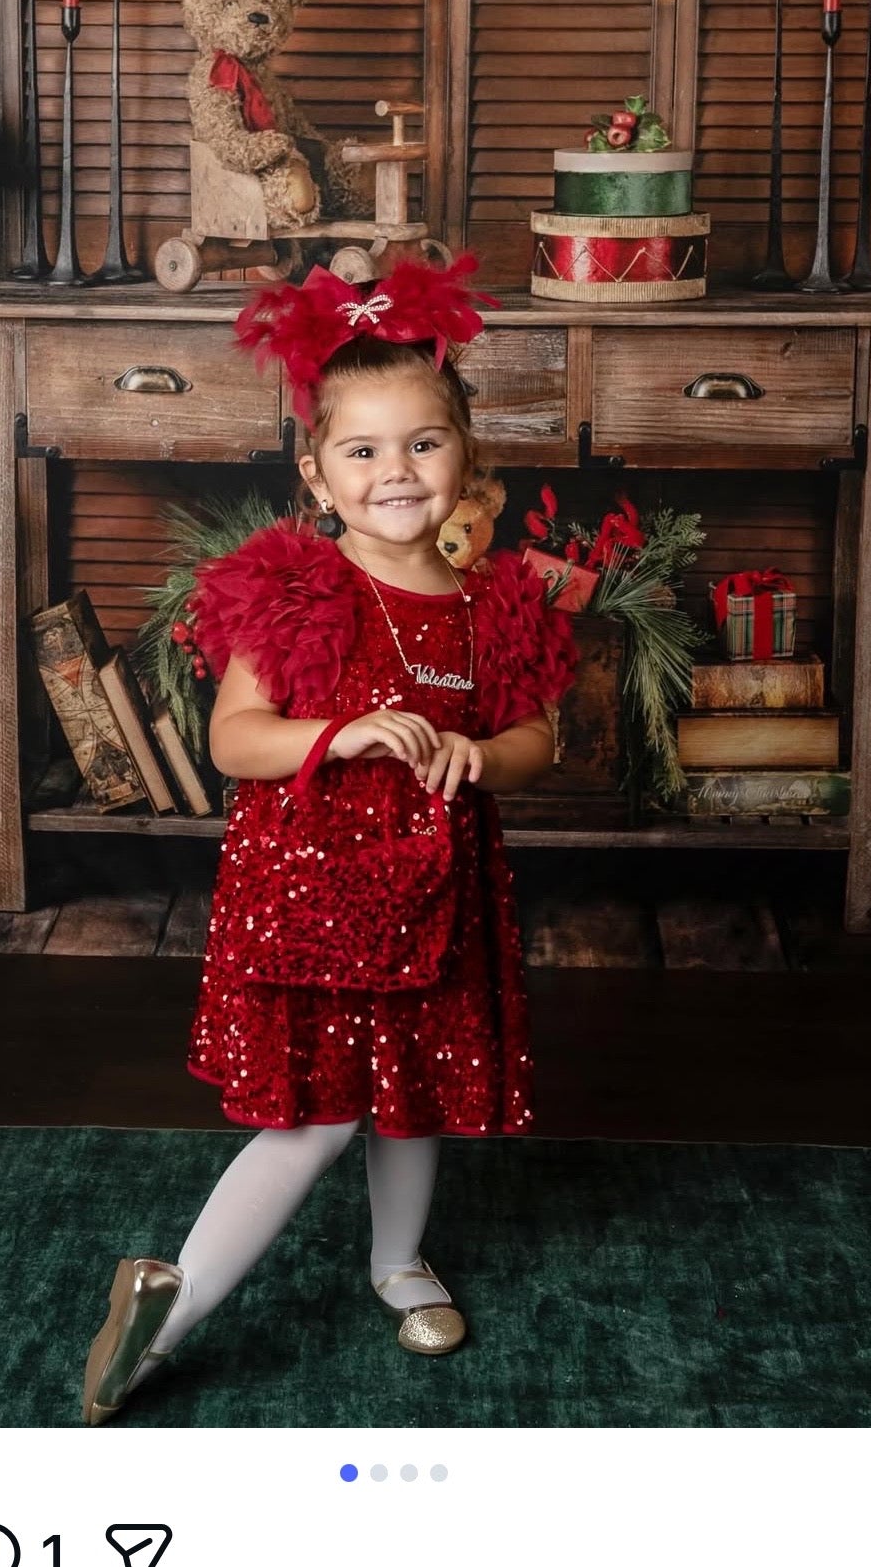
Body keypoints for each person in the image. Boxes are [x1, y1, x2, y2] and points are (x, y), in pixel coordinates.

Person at [81, 256, 577, 1424]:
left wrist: (482, 756)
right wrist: (340, 732)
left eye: (422, 444)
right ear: (317, 473)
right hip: (314, 901)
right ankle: (166, 1309)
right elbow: (234, 740)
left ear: (465, 454)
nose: (395, 471)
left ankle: (398, 1259)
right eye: (363, 450)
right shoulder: (297, 591)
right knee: (312, 1116)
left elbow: (535, 740)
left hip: (437, 891)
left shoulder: (492, 604)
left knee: (417, 1081)